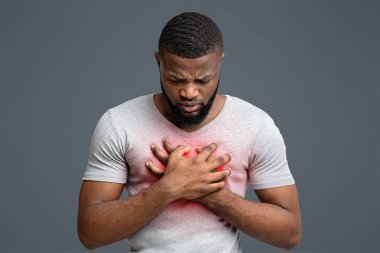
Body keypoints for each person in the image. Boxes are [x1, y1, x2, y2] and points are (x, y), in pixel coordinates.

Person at [77, 11, 301, 252]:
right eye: (175, 79)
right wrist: (168, 189)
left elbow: (289, 234)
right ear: (158, 61)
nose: (189, 93)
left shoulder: (256, 125)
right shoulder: (119, 123)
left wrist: (212, 194)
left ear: (220, 62)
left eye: (203, 81)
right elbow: (90, 233)